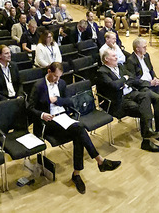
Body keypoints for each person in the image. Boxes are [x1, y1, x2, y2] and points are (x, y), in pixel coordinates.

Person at [26, 62, 121, 194]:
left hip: (63, 118)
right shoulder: (38, 86)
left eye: (59, 77)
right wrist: (42, 115)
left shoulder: (62, 83)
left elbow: (70, 101)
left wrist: (57, 100)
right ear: (48, 72)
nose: (57, 80)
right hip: (49, 122)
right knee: (79, 129)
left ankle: (78, 173)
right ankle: (98, 162)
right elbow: (30, 108)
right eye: (54, 76)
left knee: (79, 133)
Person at [95, 50, 159, 152]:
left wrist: (123, 81)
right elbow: (114, 86)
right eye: (113, 56)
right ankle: (146, 140)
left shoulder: (120, 66)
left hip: (130, 93)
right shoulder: (102, 72)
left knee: (147, 96)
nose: (116, 57)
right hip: (118, 100)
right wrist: (124, 79)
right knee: (143, 109)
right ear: (106, 59)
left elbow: (132, 78)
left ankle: (152, 132)